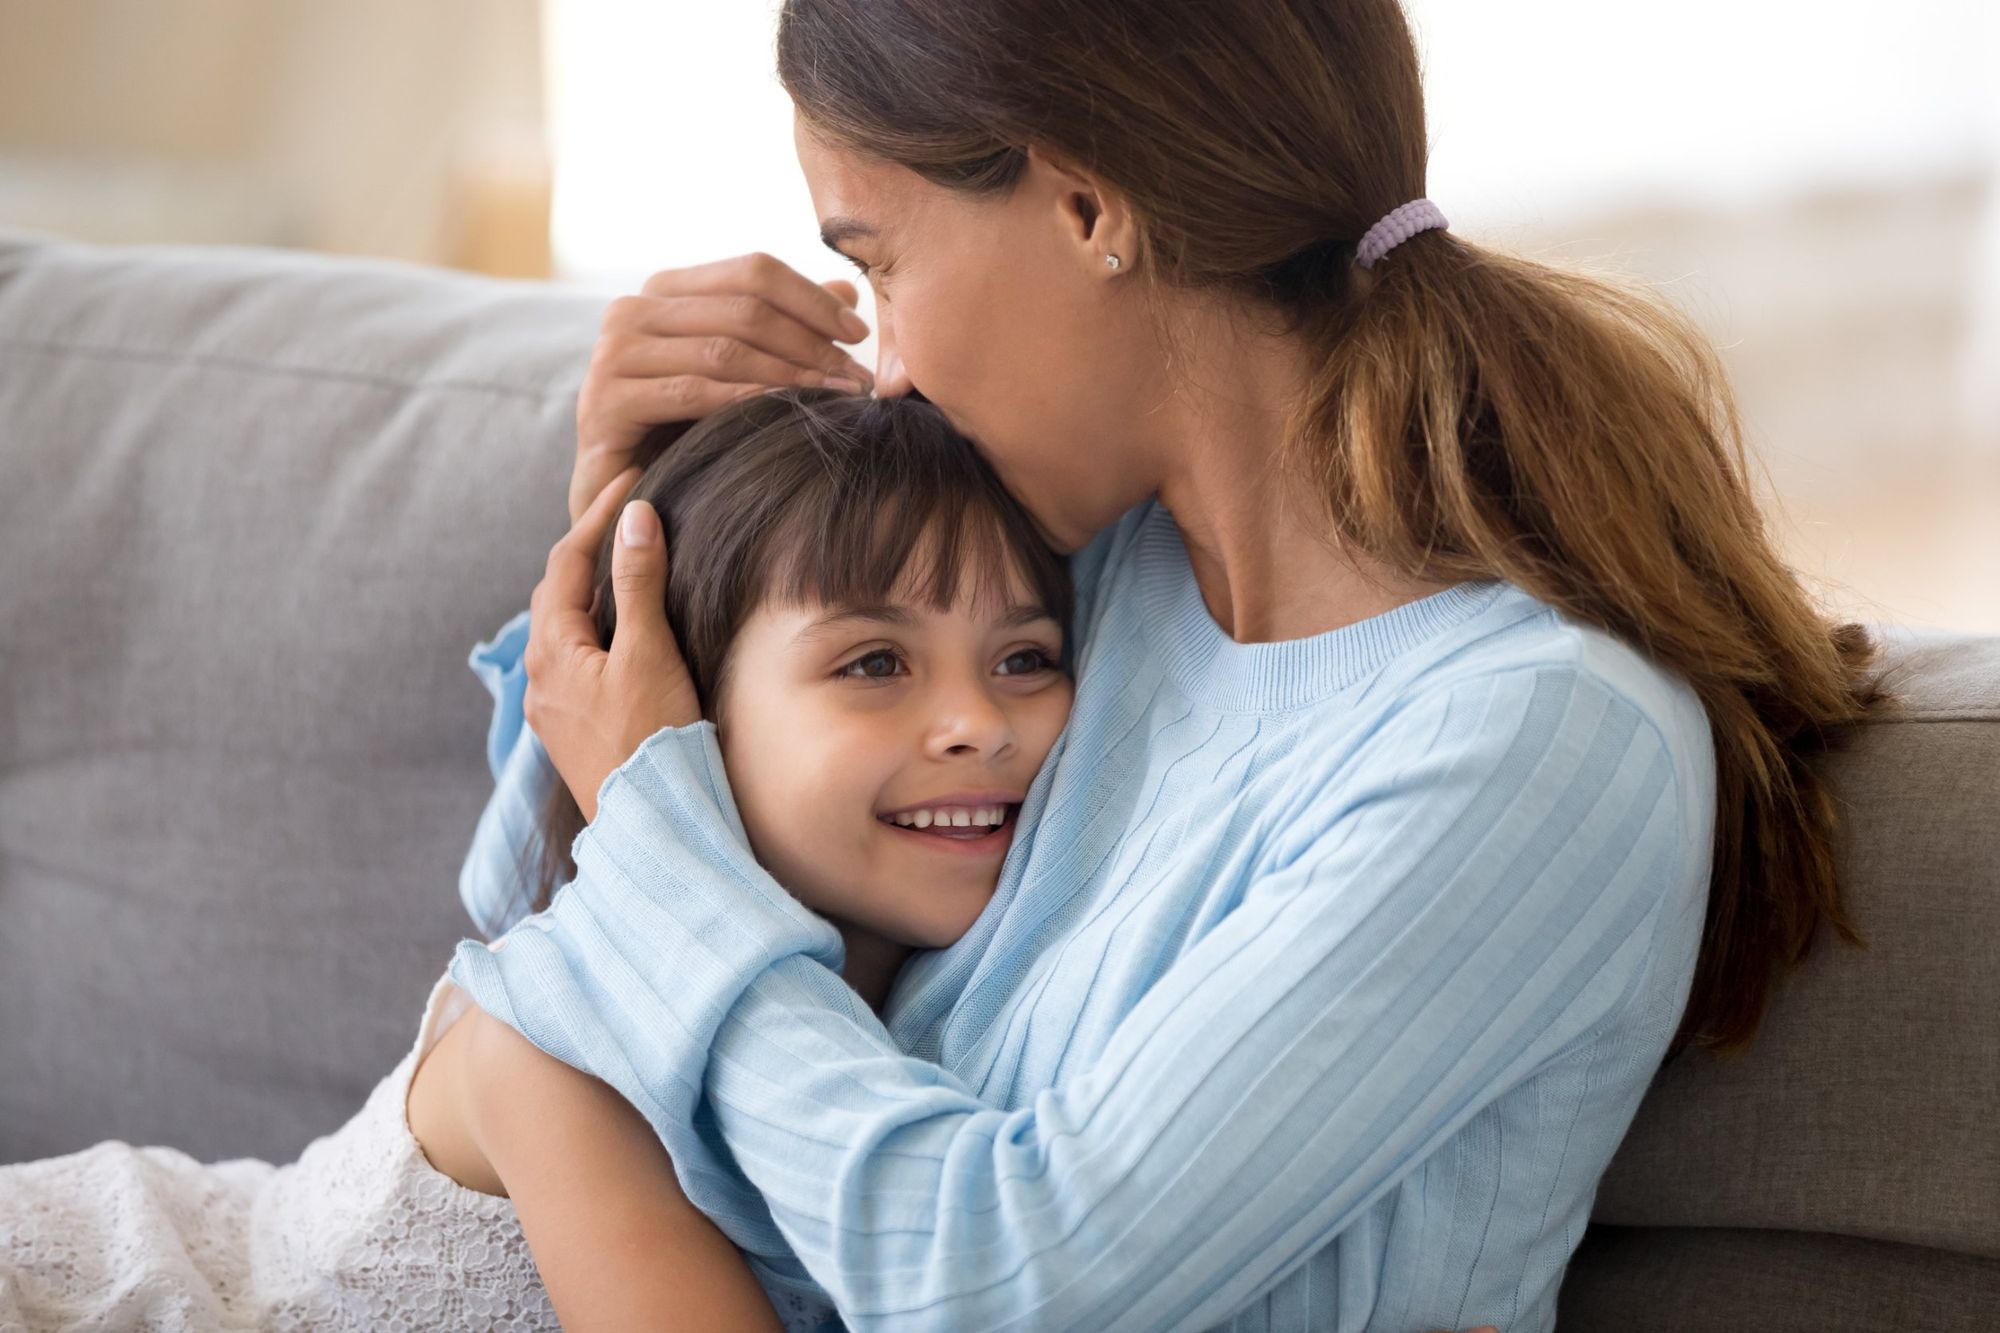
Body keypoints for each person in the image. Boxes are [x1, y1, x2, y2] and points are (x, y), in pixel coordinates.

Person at [447, 1, 1889, 1329]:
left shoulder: (1529, 741)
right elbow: (535, 943)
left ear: (1086, 205)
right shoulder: (1085, 578)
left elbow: (1002, 1280)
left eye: (878, 261)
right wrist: (639, 529)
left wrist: (655, 808)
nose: (884, 364)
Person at [0, 390, 1076, 1332]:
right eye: (874, 661)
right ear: (677, 709)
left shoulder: (989, 1004)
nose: (977, 723)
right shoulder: (557, 1046)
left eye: (1024, 657)